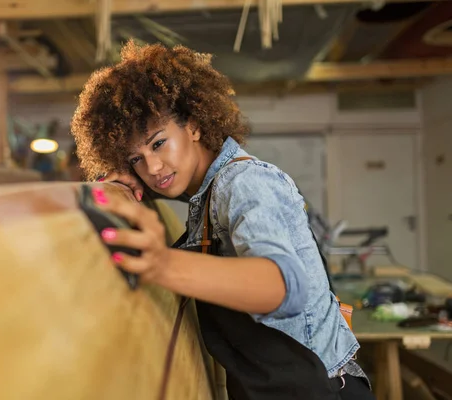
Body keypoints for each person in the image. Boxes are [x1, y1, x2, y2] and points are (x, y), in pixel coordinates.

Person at [70, 40, 374, 400]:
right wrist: (129, 181)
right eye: (135, 158)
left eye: (158, 143)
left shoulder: (245, 183)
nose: (152, 167)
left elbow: (283, 285)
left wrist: (163, 264)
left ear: (195, 125)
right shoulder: (206, 192)